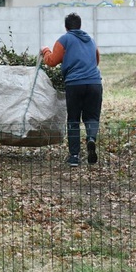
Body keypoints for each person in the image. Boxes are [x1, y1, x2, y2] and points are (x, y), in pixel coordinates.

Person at [41, 12, 102, 167]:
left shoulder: (64, 40)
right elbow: (96, 60)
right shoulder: (91, 40)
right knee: (92, 117)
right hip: (95, 83)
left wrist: (45, 51)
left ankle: (74, 156)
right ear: (80, 25)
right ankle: (91, 139)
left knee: (73, 119)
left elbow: (52, 61)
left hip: (75, 84)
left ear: (66, 27)